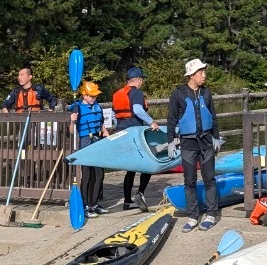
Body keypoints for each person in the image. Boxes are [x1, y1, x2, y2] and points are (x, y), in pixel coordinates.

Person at [167, 58, 221, 231]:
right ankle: (192, 216)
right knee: (189, 181)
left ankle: (211, 214)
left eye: (204, 72)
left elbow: (213, 116)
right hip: (188, 144)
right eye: (200, 72)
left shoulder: (206, 93)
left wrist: (216, 137)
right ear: (191, 75)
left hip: (206, 142)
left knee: (209, 179)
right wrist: (170, 141)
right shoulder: (179, 94)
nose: (204, 75)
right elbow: (171, 119)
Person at [112, 66, 157, 211]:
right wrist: (151, 122)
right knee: (149, 163)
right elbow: (137, 110)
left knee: (130, 168)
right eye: (142, 79)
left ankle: (127, 201)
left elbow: (115, 115)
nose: (142, 82)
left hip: (121, 132)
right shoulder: (136, 93)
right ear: (138, 80)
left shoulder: (118, 94)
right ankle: (140, 193)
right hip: (134, 132)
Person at [68, 80, 110, 215]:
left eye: (95, 96)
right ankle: (85, 205)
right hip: (85, 143)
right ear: (84, 95)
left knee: (99, 175)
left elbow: (101, 122)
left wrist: (105, 131)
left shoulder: (98, 107)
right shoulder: (78, 108)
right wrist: (72, 121)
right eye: (91, 96)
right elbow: (72, 131)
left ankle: (94, 203)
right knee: (86, 175)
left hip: (98, 142)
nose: (94, 98)